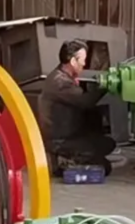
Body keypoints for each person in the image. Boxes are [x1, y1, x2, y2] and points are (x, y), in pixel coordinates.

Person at [38, 39, 116, 176]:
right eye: (83, 60)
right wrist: (106, 85)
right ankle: (61, 160)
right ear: (73, 61)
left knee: (108, 143)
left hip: (67, 132)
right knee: (105, 167)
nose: (84, 64)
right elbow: (86, 101)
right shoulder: (60, 82)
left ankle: (73, 155)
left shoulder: (61, 75)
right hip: (58, 140)